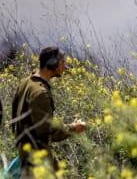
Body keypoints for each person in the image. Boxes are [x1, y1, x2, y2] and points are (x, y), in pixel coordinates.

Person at [10, 47, 86, 176]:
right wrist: (74, 128)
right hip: (37, 164)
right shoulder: (40, 92)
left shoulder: (25, 82)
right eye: (63, 63)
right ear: (52, 63)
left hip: (27, 156)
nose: (65, 67)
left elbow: (14, 118)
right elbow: (47, 131)